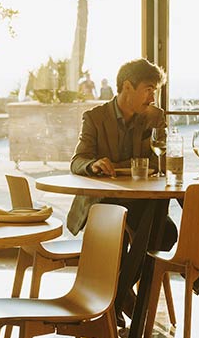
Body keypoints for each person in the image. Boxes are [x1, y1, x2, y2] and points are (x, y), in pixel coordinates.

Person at [68, 58, 178, 318]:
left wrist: (122, 164)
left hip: (140, 199)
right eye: (148, 89)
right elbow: (77, 161)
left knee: (165, 233)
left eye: (155, 91)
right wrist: (94, 164)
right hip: (104, 200)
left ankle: (117, 296)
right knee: (117, 236)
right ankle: (122, 301)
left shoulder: (153, 116)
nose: (153, 97)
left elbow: (160, 161)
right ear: (127, 87)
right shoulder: (95, 118)